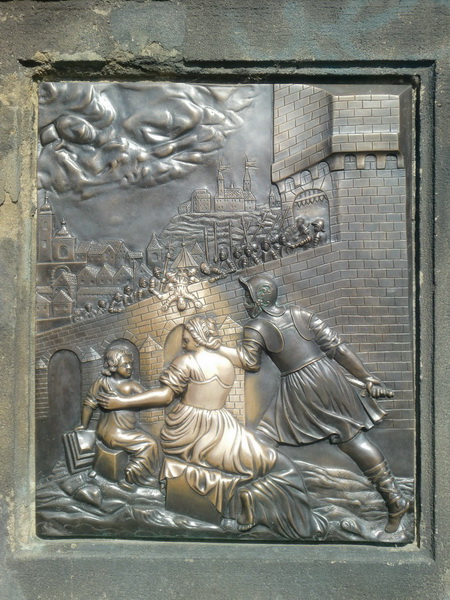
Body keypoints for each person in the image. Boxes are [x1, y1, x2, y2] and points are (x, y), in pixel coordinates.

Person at [98, 316, 327, 540]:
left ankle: (250, 497)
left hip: (188, 431)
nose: (183, 341)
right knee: (279, 465)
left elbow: (166, 396)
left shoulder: (186, 362)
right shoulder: (226, 363)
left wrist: (121, 402)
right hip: (224, 428)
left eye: (187, 337)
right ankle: (259, 499)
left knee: (265, 464)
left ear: (198, 337)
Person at [218, 274, 410, 533]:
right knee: (352, 440)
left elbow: (250, 362)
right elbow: (338, 348)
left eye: (248, 295)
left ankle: (269, 503)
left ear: (259, 299)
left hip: (301, 386)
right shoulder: (301, 314)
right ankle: (394, 499)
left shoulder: (256, 327)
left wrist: (216, 347)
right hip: (329, 377)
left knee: (262, 439)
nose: (245, 301)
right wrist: (366, 377)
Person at [76, 345, 160, 487]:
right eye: (125, 364)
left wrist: (84, 425)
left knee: (147, 442)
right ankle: (132, 475)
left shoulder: (104, 382)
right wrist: (83, 425)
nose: (129, 367)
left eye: (130, 364)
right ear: (113, 366)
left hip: (109, 432)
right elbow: (89, 403)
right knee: (149, 444)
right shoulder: (127, 385)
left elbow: (89, 403)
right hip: (116, 434)